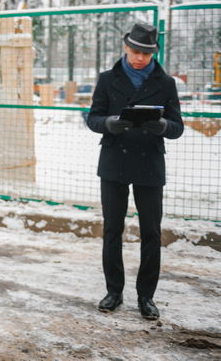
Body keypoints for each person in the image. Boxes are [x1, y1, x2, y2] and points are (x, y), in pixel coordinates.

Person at [86, 22, 183, 320]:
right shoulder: (107, 79)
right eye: (135, 51)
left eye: (146, 53)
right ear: (126, 47)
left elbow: (177, 127)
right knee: (112, 230)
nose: (140, 58)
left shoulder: (166, 83)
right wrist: (109, 123)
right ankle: (114, 291)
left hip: (149, 163)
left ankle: (146, 297)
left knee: (151, 232)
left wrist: (163, 126)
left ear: (154, 53)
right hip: (114, 161)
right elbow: (93, 118)